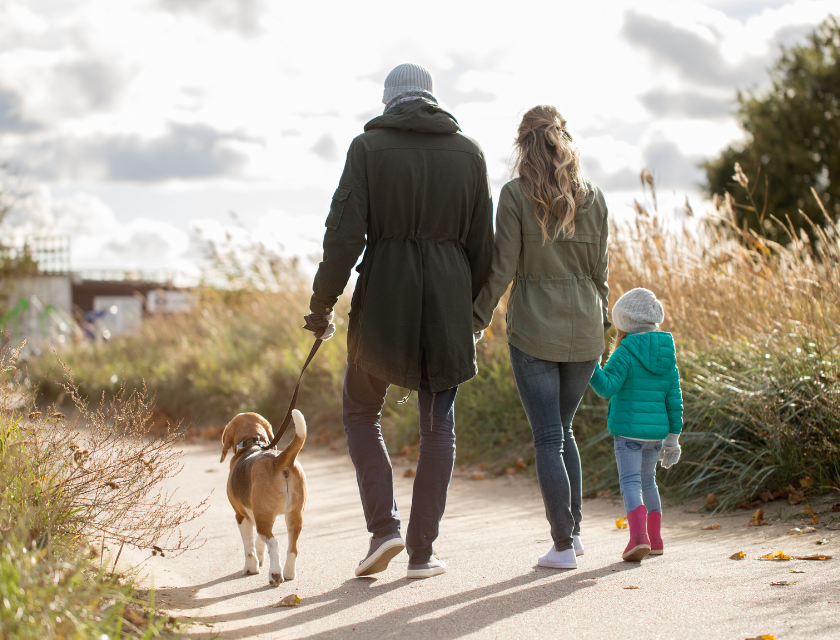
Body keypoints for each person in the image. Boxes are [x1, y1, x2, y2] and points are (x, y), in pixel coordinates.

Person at [305, 63, 493, 579]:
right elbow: (484, 248)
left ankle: (383, 529)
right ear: (432, 98)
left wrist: (322, 305)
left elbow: (343, 236)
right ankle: (422, 553)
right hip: (447, 306)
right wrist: (470, 314)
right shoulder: (470, 153)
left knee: (362, 411)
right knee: (438, 429)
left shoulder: (368, 149)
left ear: (389, 101)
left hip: (385, 298)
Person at [472, 105, 610, 570]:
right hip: (586, 331)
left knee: (549, 436)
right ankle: (575, 534)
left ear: (522, 144)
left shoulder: (514, 195)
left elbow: (502, 268)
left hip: (534, 330)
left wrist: (477, 319)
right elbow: (601, 275)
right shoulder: (595, 198)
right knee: (562, 430)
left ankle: (563, 545)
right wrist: (605, 329)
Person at [588, 287, 683, 561]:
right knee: (648, 482)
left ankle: (637, 538)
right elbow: (674, 399)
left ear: (624, 324)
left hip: (628, 432)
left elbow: (606, 388)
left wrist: (591, 365)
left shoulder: (626, 351)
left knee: (630, 482)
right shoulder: (667, 353)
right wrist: (673, 439)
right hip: (657, 435)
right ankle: (655, 540)